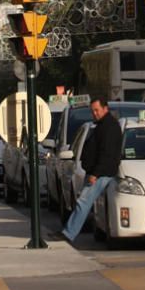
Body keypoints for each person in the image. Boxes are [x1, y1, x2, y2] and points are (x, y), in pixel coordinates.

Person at [48, 97, 122, 243]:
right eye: (92, 111)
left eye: (97, 110)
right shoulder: (102, 125)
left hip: (101, 173)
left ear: (105, 109)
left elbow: (106, 153)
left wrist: (96, 173)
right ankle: (69, 231)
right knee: (84, 202)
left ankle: (68, 233)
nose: (94, 113)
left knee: (83, 202)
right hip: (96, 171)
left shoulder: (109, 127)